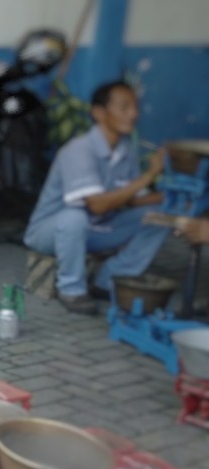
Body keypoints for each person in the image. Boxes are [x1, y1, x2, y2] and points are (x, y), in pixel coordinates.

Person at [23, 81, 171, 315]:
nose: (134, 114)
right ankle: (71, 289)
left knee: (161, 216)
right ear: (99, 113)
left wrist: (170, 199)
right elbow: (98, 205)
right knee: (74, 217)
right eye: (124, 107)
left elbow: (133, 199)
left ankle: (109, 279)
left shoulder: (125, 150)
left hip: (96, 229)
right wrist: (149, 176)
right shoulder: (79, 150)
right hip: (51, 232)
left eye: (135, 107)